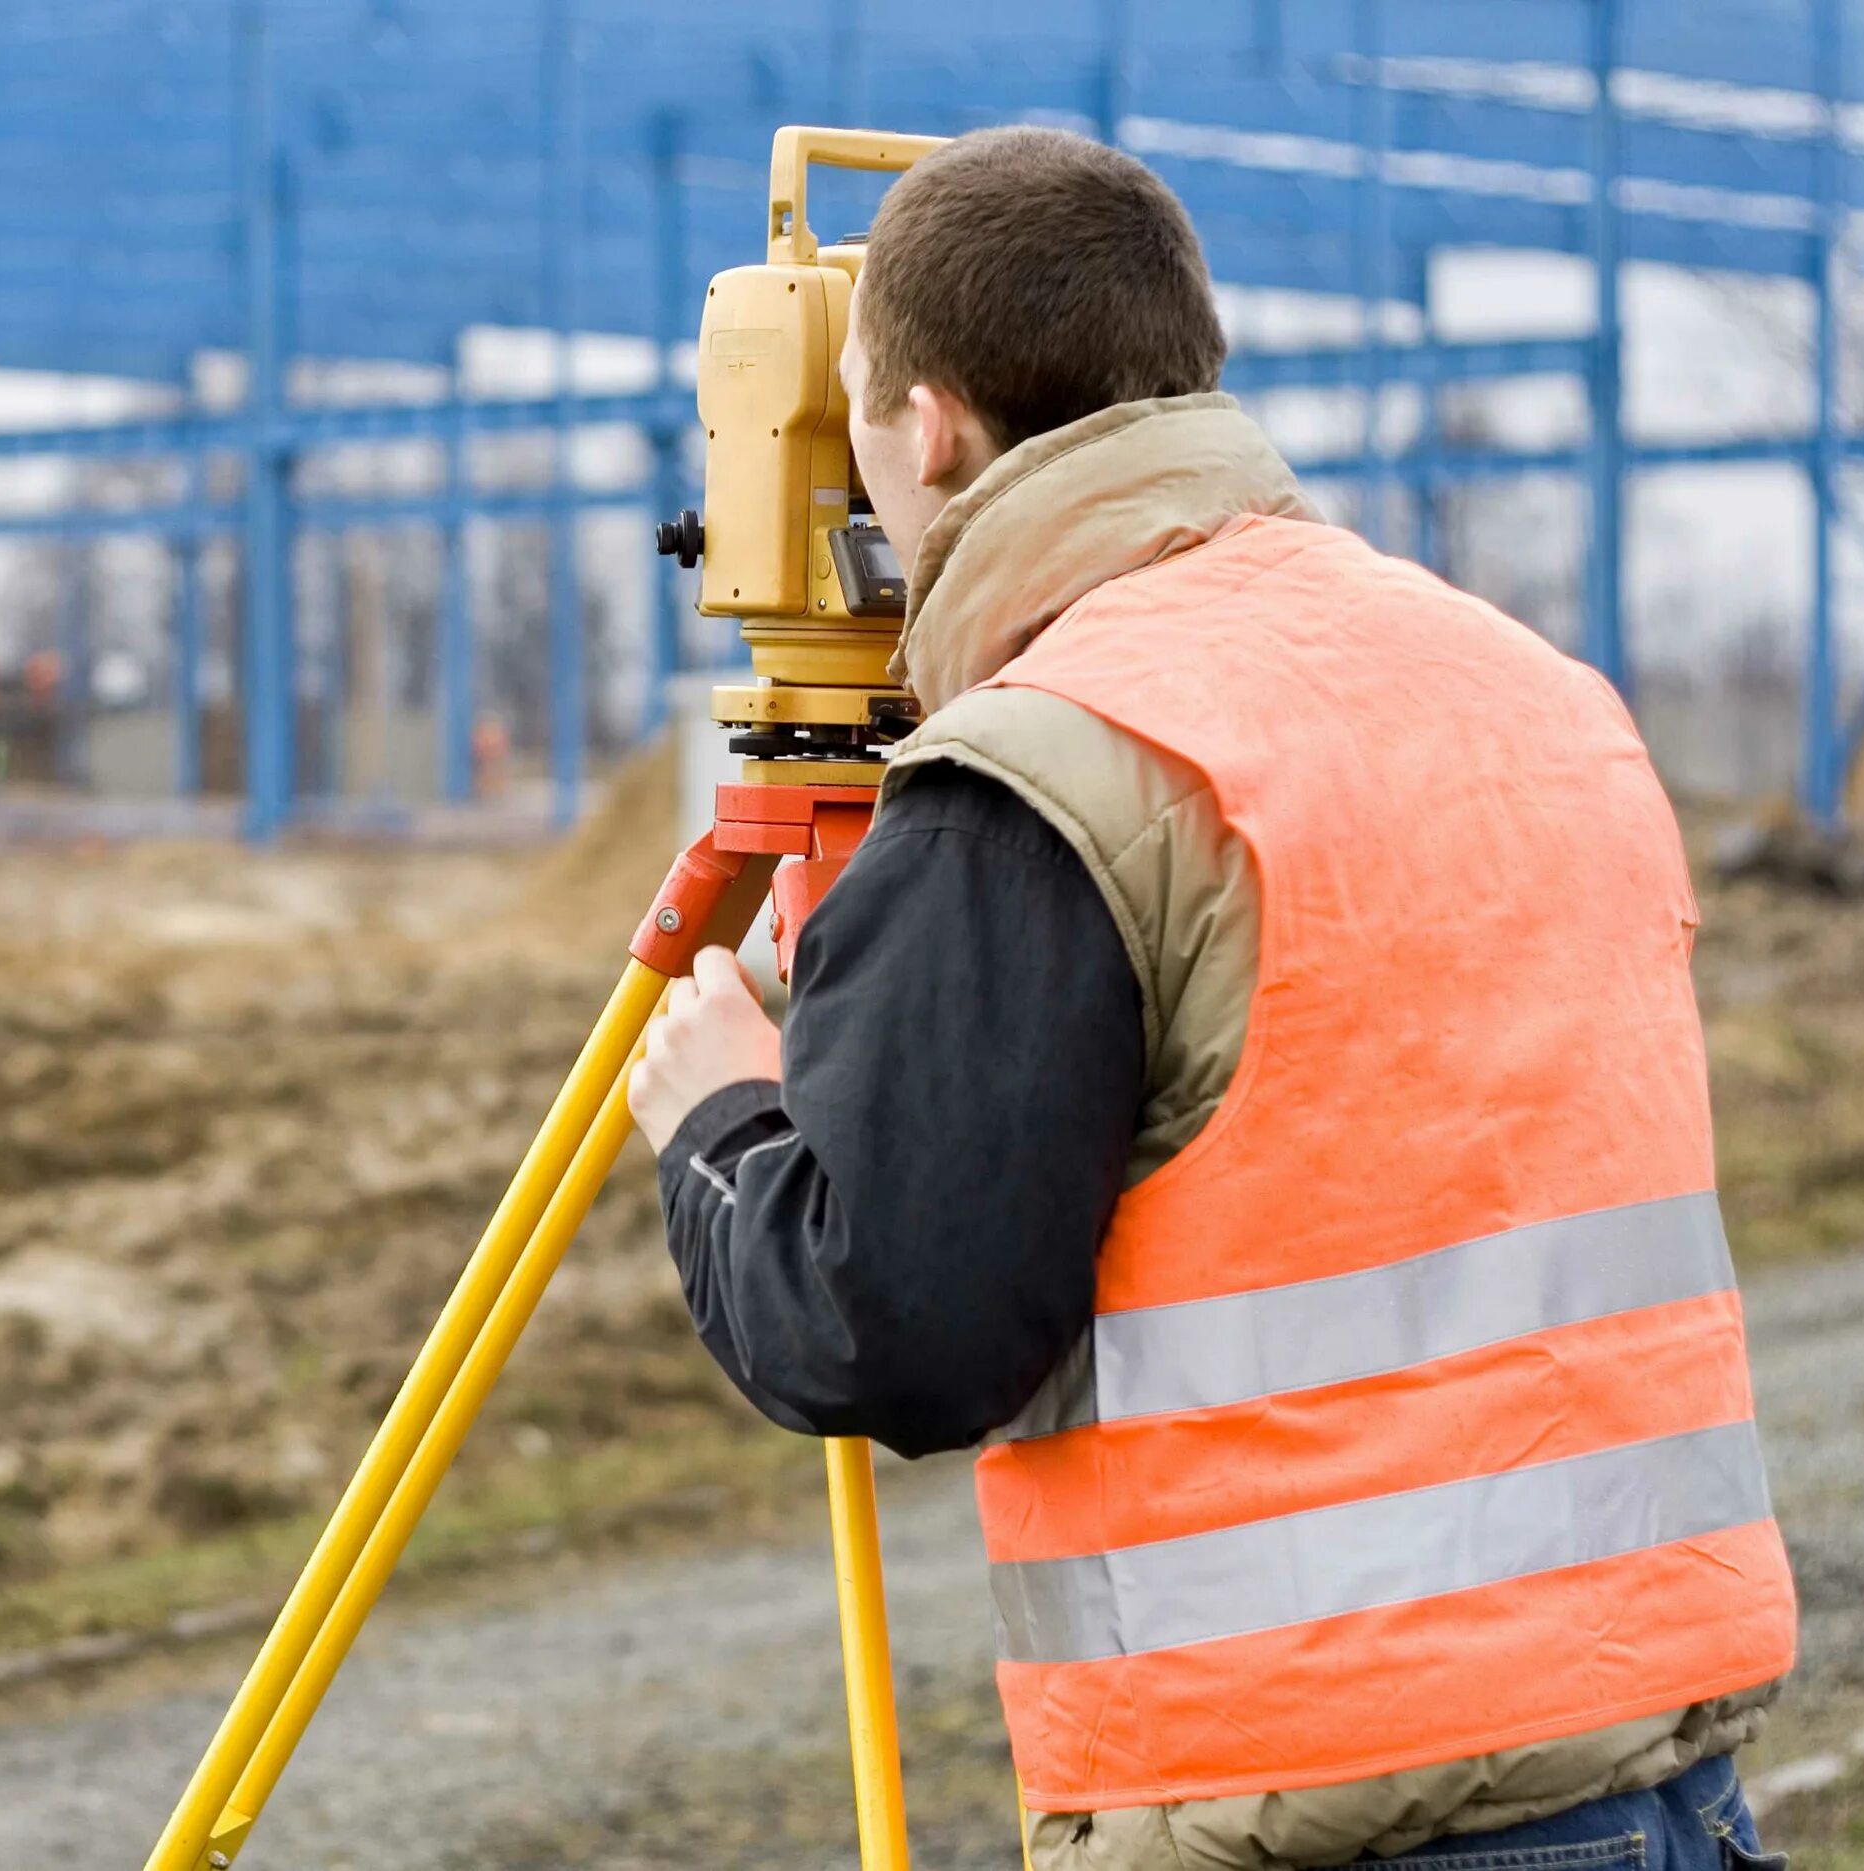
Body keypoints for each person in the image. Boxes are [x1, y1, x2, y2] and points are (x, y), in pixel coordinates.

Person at [623, 127, 1796, 1871]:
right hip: (1652, 1781)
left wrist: (724, 1119)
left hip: (1306, 1793)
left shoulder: (1054, 772)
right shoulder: (1527, 691)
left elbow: (897, 1322)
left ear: (921, 424)